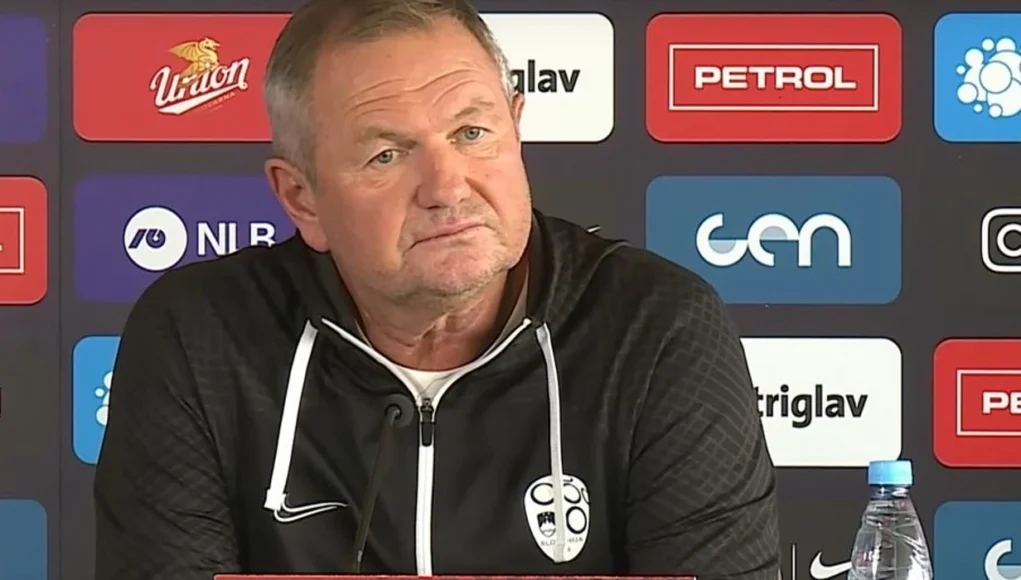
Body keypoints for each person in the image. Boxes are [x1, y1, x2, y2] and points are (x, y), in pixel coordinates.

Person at [93, 0, 781, 578]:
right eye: (386, 155)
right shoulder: (200, 336)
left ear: (516, 130)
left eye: (472, 132)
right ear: (302, 198)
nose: (447, 188)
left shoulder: (656, 328)